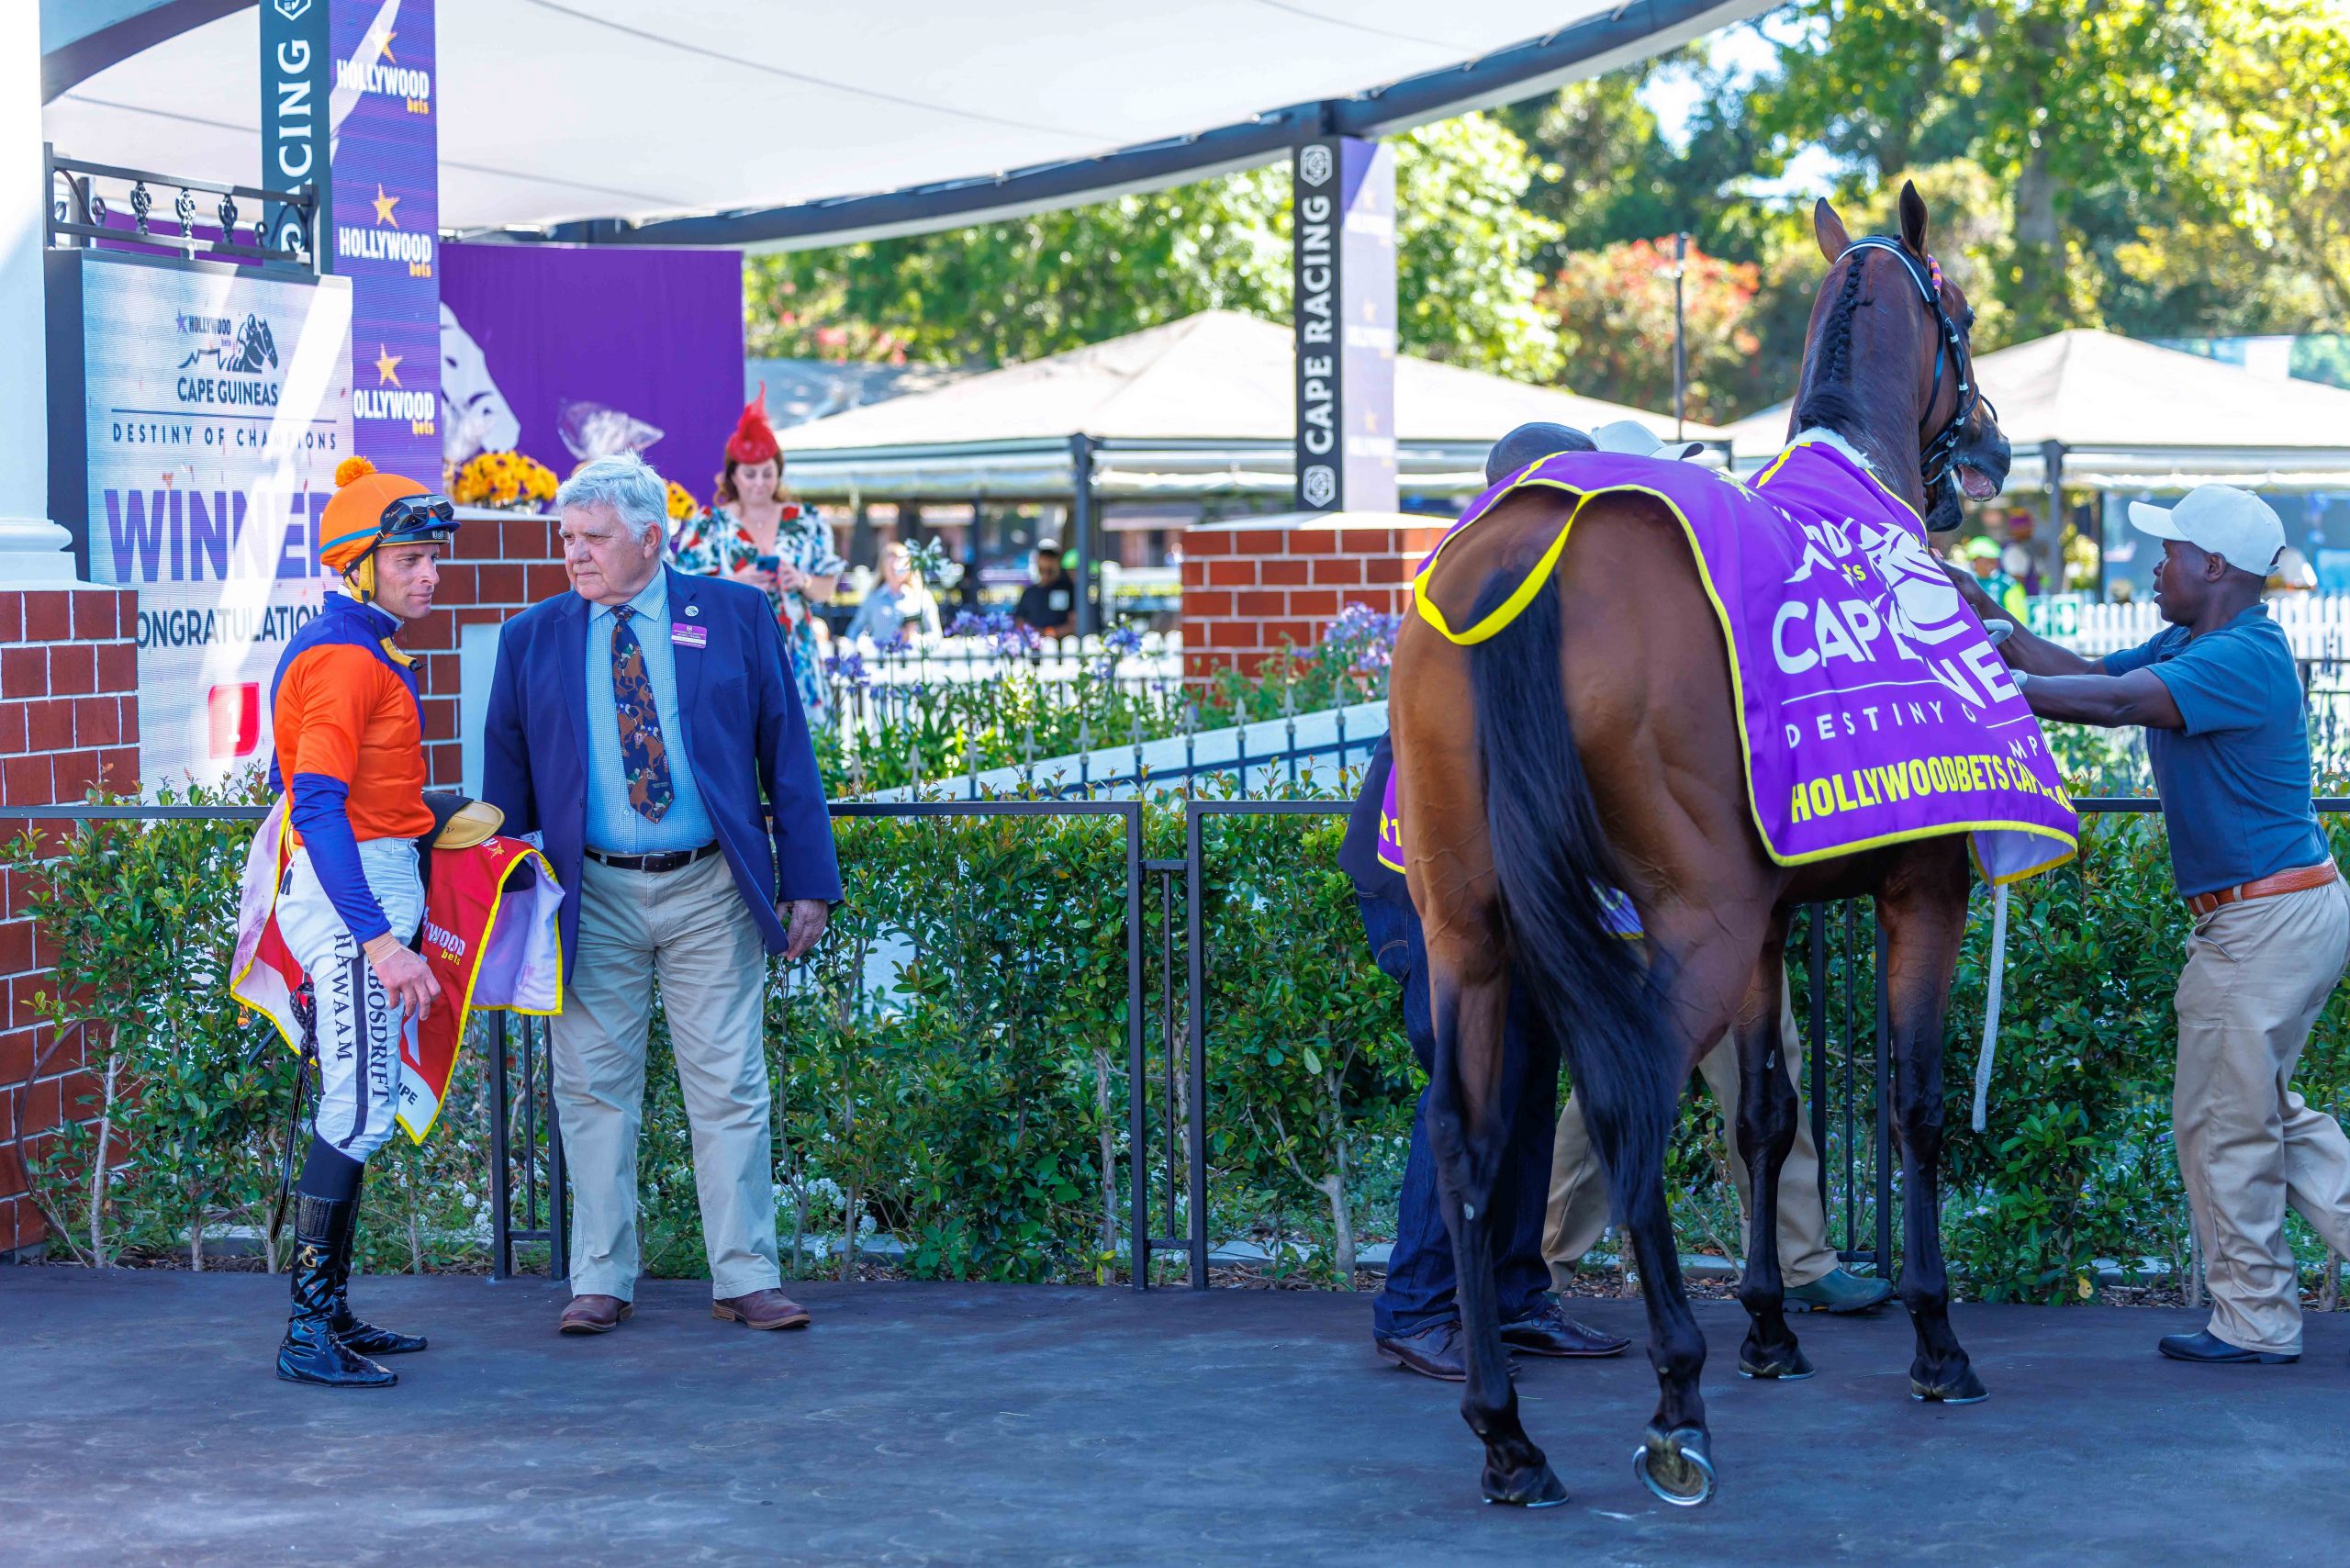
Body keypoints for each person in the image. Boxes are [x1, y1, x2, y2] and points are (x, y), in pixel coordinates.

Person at [1956, 483, 2350, 1365]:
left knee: (2222, 1125)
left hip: (2263, 923)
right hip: (2282, 910)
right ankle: (2259, 1313)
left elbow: (2120, 705)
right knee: (2269, 1116)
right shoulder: (2196, 639)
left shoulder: (2242, 656)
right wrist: (1993, 623)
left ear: (2214, 567)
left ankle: (2255, 1322)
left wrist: (1987, 682)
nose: (2154, 565)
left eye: (2169, 552)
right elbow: (2095, 677)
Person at [483, 452, 842, 1338]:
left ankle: (746, 1277)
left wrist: (809, 882)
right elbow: (506, 779)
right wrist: (504, 893)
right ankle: (600, 1278)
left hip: (711, 887)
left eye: (594, 538)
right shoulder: (532, 636)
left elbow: (786, 754)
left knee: (729, 1088)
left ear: (652, 539)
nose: (575, 554)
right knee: (592, 1091)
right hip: (590, 893)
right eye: (567, 538)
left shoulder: (735, 614)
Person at [1342, 733, 1629, 1379]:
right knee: (1469, 1085)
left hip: (1504, 879)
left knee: (1526, 1080)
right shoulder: (1479, 637)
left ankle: (1513, 1299)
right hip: (1429, 879)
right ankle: (1415, 1311)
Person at [266, 455, 461, 1388]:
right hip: (355, 905)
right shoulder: (344, 658)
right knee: (354, 1105)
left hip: (373, 888)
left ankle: (330, 1308)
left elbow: (365, 798)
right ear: (359, 560)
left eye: (433, 558)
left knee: (365, 1104)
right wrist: (380, 941)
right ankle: (306, 1330)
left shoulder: (364, 645)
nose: (430, 574)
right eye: (411, 558)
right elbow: (315, 809)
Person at [1544, 997, 1895, 1313]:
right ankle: (1541, 1269)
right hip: (1646, 931)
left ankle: (1798, 1263)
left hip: (1744, 931)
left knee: (1767, 1074)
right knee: (1613, 1080)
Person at [673, 388, 845, 726]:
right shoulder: (710, 523)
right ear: (733, 475)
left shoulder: (806, 519)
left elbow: (827, 590)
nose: (759, 483)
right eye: (750, 474)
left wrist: (802, 581)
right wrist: (734, 582)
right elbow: (681, 588)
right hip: (733, 648)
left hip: (797, 651)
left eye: (768, 473)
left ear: (779, 472)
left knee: (806, 743)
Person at [845, 540, 942, 647]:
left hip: (913, 660)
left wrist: (916, 640)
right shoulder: (873, 598)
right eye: (891, 566)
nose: (895, 568)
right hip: (882, 660)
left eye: (900, 565)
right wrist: (864, 645)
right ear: (883, 568)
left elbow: (936, 635)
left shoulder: (922, 598)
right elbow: (853, 632)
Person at [1013, 539, 1077, 637]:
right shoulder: (1030, 592)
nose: (1047, 562)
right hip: (1034, 647)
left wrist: (1049, 633)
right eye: (1044, 557)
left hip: (1063, 647)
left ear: (1057, 562)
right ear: (1038, 560)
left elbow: (1074, 623)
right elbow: (1020, 621)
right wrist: (1034, 634)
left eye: (1051, 558)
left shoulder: (1069, 589)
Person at [1960, 534, 2028, 620]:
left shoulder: (2008, 585)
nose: (1991, 564)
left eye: (1992, 560)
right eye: (1986, 560)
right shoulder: (1966, 583)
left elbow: (2018, 620)